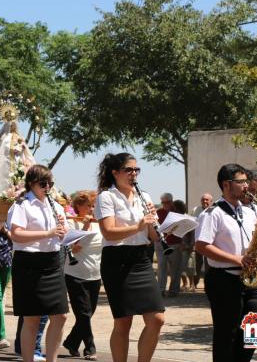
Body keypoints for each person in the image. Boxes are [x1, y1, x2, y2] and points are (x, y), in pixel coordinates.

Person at [94, 152, 165, 362]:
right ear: (115, 173)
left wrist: (155, 225)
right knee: (123, 322)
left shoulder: (146, 196)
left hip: (141, 259)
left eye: (136, 170)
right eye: (129, 170)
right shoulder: (106, 197)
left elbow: (152, 237)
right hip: (117, 261)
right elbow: (109, 232)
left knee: (157, 319)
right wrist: (138, 226)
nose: (134, 174)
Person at [195, 164, 257, 362]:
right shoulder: (212, 213)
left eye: (246, 181)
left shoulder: (250, 210)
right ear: (226, 185)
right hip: (224, 279)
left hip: (253, 278)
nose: (247, 185)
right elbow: (202, 246)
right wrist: (236, 259)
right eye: (241, 182)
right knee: (227, 335)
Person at [8, 164, 69, 362]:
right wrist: (48, 233)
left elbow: (62, 236)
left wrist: (65, 232)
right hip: (28, 263)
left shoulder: (56, 206)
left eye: (51, 183)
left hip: (52, 262)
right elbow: (16, 235)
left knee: (60, 316)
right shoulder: (21, 204)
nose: (48, 187)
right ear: (32, 183)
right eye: (43, 183)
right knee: (32, 319)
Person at [61, 191, 102, 361]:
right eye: (88, 205)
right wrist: (85, 227)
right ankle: (90, 348)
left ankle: (71, 342)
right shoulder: (72, 224)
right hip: (75, 274)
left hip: (95, 274)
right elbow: (74, 248)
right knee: (84, 313)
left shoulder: (99, 224)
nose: (91, 209)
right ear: (78, 206)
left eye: (93, 206)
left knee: (88, 313)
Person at [156, 192, 182, 297]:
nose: (165, 204)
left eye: (167, 202)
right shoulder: (158, 213)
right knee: (161, 267)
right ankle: (161, 290)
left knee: (175, 269)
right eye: (163, 202)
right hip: (160, 244)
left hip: (175, 244)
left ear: (171, 202)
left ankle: (174, 291)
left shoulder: (178, 213)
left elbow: (183, 228)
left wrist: (182, 242)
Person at [191, 193, 213, 288]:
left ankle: (208, 285)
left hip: (210, 242)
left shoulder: (215, 211)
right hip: (198, 241)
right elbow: (191, 226)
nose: (205, 201)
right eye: (203, 199)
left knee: (209, 265)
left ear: (211, 202)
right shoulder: (195, 210)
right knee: (197, 264)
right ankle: (194, 284)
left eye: (207, 200)